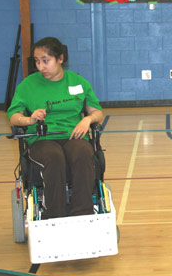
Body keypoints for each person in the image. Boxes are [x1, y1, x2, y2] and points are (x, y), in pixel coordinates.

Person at [7, 37, 104, 219]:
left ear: (60, 58)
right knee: (53, 157)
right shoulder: (28, 85)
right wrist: (29, 119)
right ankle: (54, 216)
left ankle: (83, 214)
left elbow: (97, 112)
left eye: (46, 61)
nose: (41, 67)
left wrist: (88, 119)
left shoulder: (78, 82)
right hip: (42, 138)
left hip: (73, 135)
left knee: (83, 153)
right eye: (37, 61)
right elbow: (13, 117)